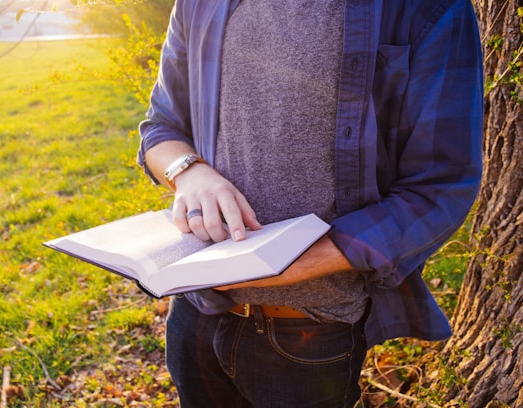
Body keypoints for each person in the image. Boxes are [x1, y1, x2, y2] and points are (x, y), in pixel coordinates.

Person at [137, 0, 483, 406]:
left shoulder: (427, 7)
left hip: (310, 333)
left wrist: (294, 263)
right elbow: (161, 127)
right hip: (196, 311)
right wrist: (190, 172)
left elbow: (440, 187)